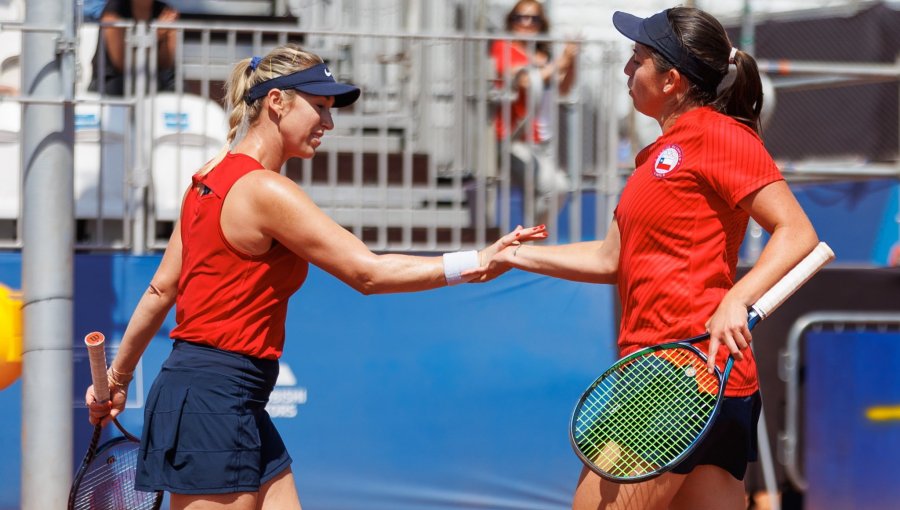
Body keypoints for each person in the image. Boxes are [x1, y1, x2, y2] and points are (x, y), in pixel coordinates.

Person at [84, 44, 547, 509]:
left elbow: (162, 288)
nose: (329, 123)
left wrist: (119, 377)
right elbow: (367, 272)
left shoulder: (208, 176)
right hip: (214, 402)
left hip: (220, 395)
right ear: (276, 103)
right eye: (320, 107)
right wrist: (474, 262)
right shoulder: (265, 190)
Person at [482, 7, 819, 510]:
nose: (625, 71)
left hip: (675, 375)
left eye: (636, 59)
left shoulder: (720, 135)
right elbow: (609, 258)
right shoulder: (655, 157)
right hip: (685, 375)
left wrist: (737, 298)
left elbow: (798, 233)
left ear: (672, 80)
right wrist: (518, 257)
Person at [491, 0, 578, 225]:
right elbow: (525, 82)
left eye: (534, 18)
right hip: (514, 138)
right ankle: (531, 245)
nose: (527, 23)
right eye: (521, 17)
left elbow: (563, 88)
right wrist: (559, 63)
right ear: (511, 21)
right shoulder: (504, 47)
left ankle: (530, 245)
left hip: (543, 139)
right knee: (555, 187)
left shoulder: (543, 53)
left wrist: (572, 60)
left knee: (549, 193)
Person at [89, 0, 179, 95]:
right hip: (111, 80)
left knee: (177, 87)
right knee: (140, 86)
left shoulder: (165, 11)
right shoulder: (113, 11)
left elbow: (166, 64)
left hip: (152, 77)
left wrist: (166, 37)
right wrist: (155, 37)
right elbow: (121, 64)